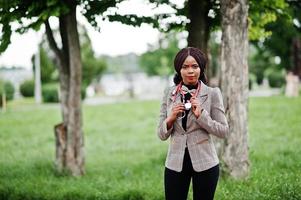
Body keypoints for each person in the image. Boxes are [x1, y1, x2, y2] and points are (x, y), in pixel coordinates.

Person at [157, 47, 229, 200]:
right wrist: (170, 118)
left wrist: (201, 115)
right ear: (179, 69)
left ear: (201, 68)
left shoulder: (212, 93)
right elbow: (161, 134)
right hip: (175, 163)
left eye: (195, 66)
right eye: (185, 67)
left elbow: (223, 131)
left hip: (206, 163)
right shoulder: (169, 94)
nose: (190, 71)